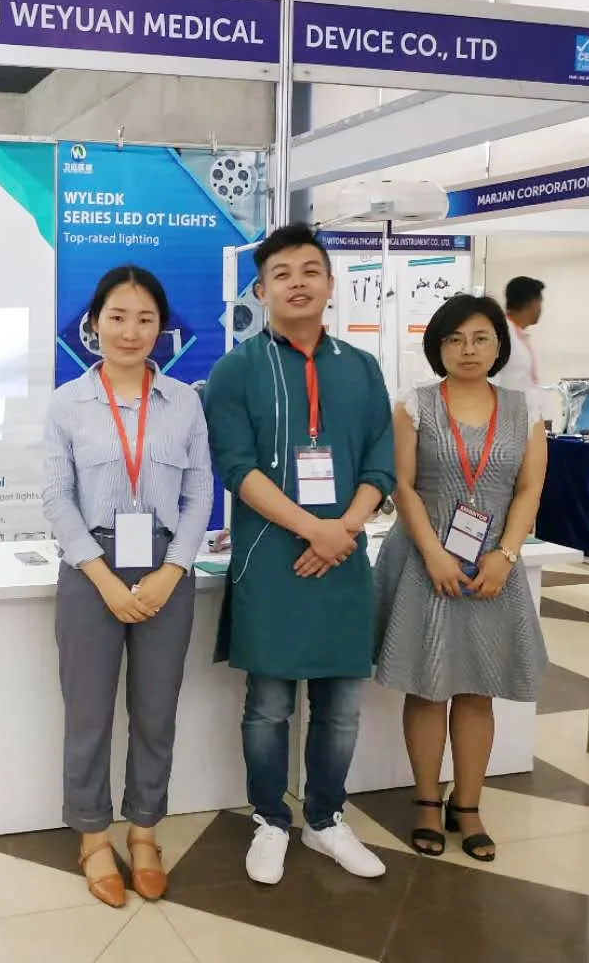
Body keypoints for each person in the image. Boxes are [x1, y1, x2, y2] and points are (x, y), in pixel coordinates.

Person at [202, 224, 393, 886]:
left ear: (331, 284)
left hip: (343, 559)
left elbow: (381, 463)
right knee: (269, 705)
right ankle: (269, 820)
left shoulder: (361, 368)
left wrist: (342, 529)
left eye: (311, 270)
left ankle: (326, 820)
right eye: (281, 274)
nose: (298, 283)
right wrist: (315, 529)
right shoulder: (236, 370)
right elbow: (237, 468)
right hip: (270, 559)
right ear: (260, 291)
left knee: (342, 706)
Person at [42, 265, 213, 908]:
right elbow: (56, 497)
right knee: (87, 713)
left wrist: (174, 569)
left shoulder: (185, 402)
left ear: (161, 327)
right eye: (117, 317)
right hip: (92, 569)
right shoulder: (67, 403)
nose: (131, 331)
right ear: (94, 324)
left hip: (166, 567)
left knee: (156, 710)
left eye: (145, 319)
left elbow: (200, 493)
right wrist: (102, 577)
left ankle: (144, 832)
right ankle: (92, 836)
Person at [373, 293, 548, 864]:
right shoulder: (415, 405)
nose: (468, 350)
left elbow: (529, 489)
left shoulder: (524, 409)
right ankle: (427, 801)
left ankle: (467, 805)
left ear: (499, 346)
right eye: (455, 339)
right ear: (438, 347)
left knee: (477, 688)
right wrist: (434, 554)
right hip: (427, 562)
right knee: (427, 687)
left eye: (480, 339)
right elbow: (402, 485)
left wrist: (505, 554)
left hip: (492, 566)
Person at [495, 276, 544, 414]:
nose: (541, 308)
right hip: (507, 418)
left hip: (525, 418)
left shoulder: (518, 335)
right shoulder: (501, 334)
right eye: (540, 302)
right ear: (533, 303)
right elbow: (492, 379)